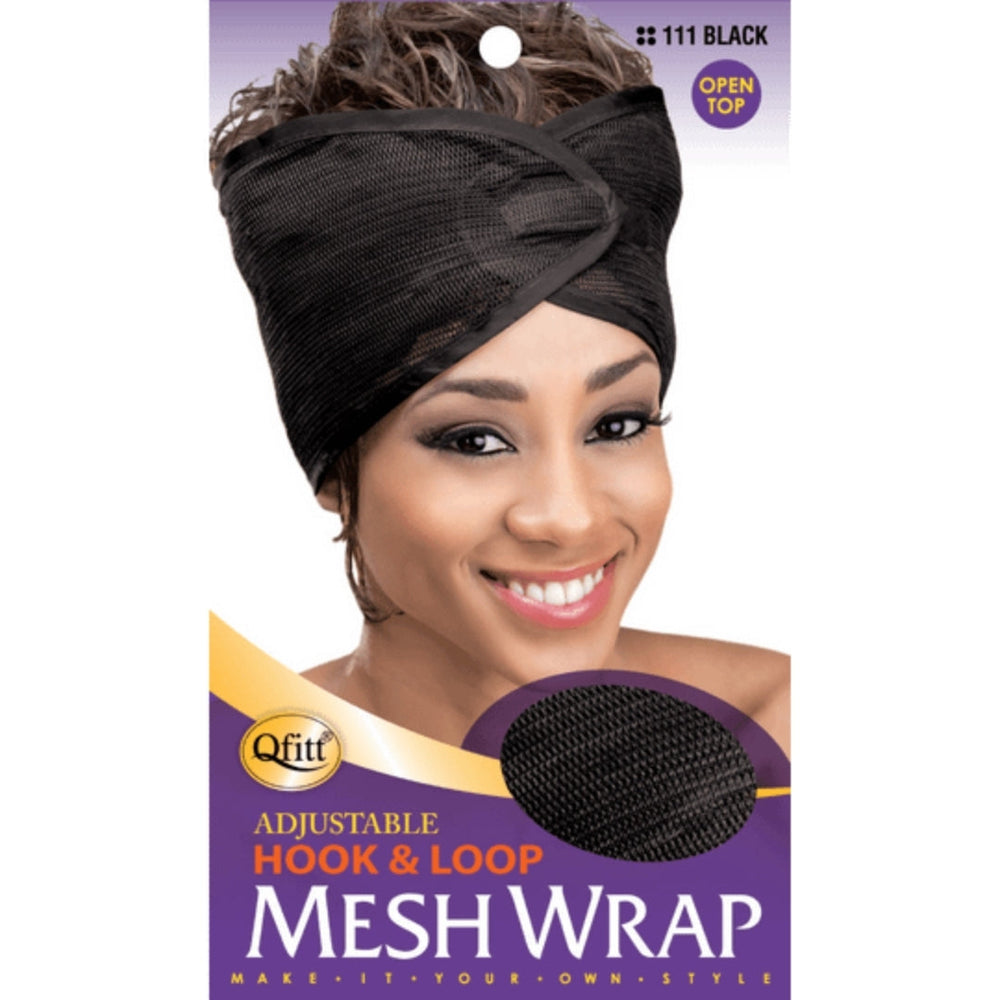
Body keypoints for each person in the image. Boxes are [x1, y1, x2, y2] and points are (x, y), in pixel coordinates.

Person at [211, 1, 788, 756]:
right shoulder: (222, 790)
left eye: (616, 425)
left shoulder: (787, 741)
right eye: (476, 440)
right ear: (335, 469)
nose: (569, 518)